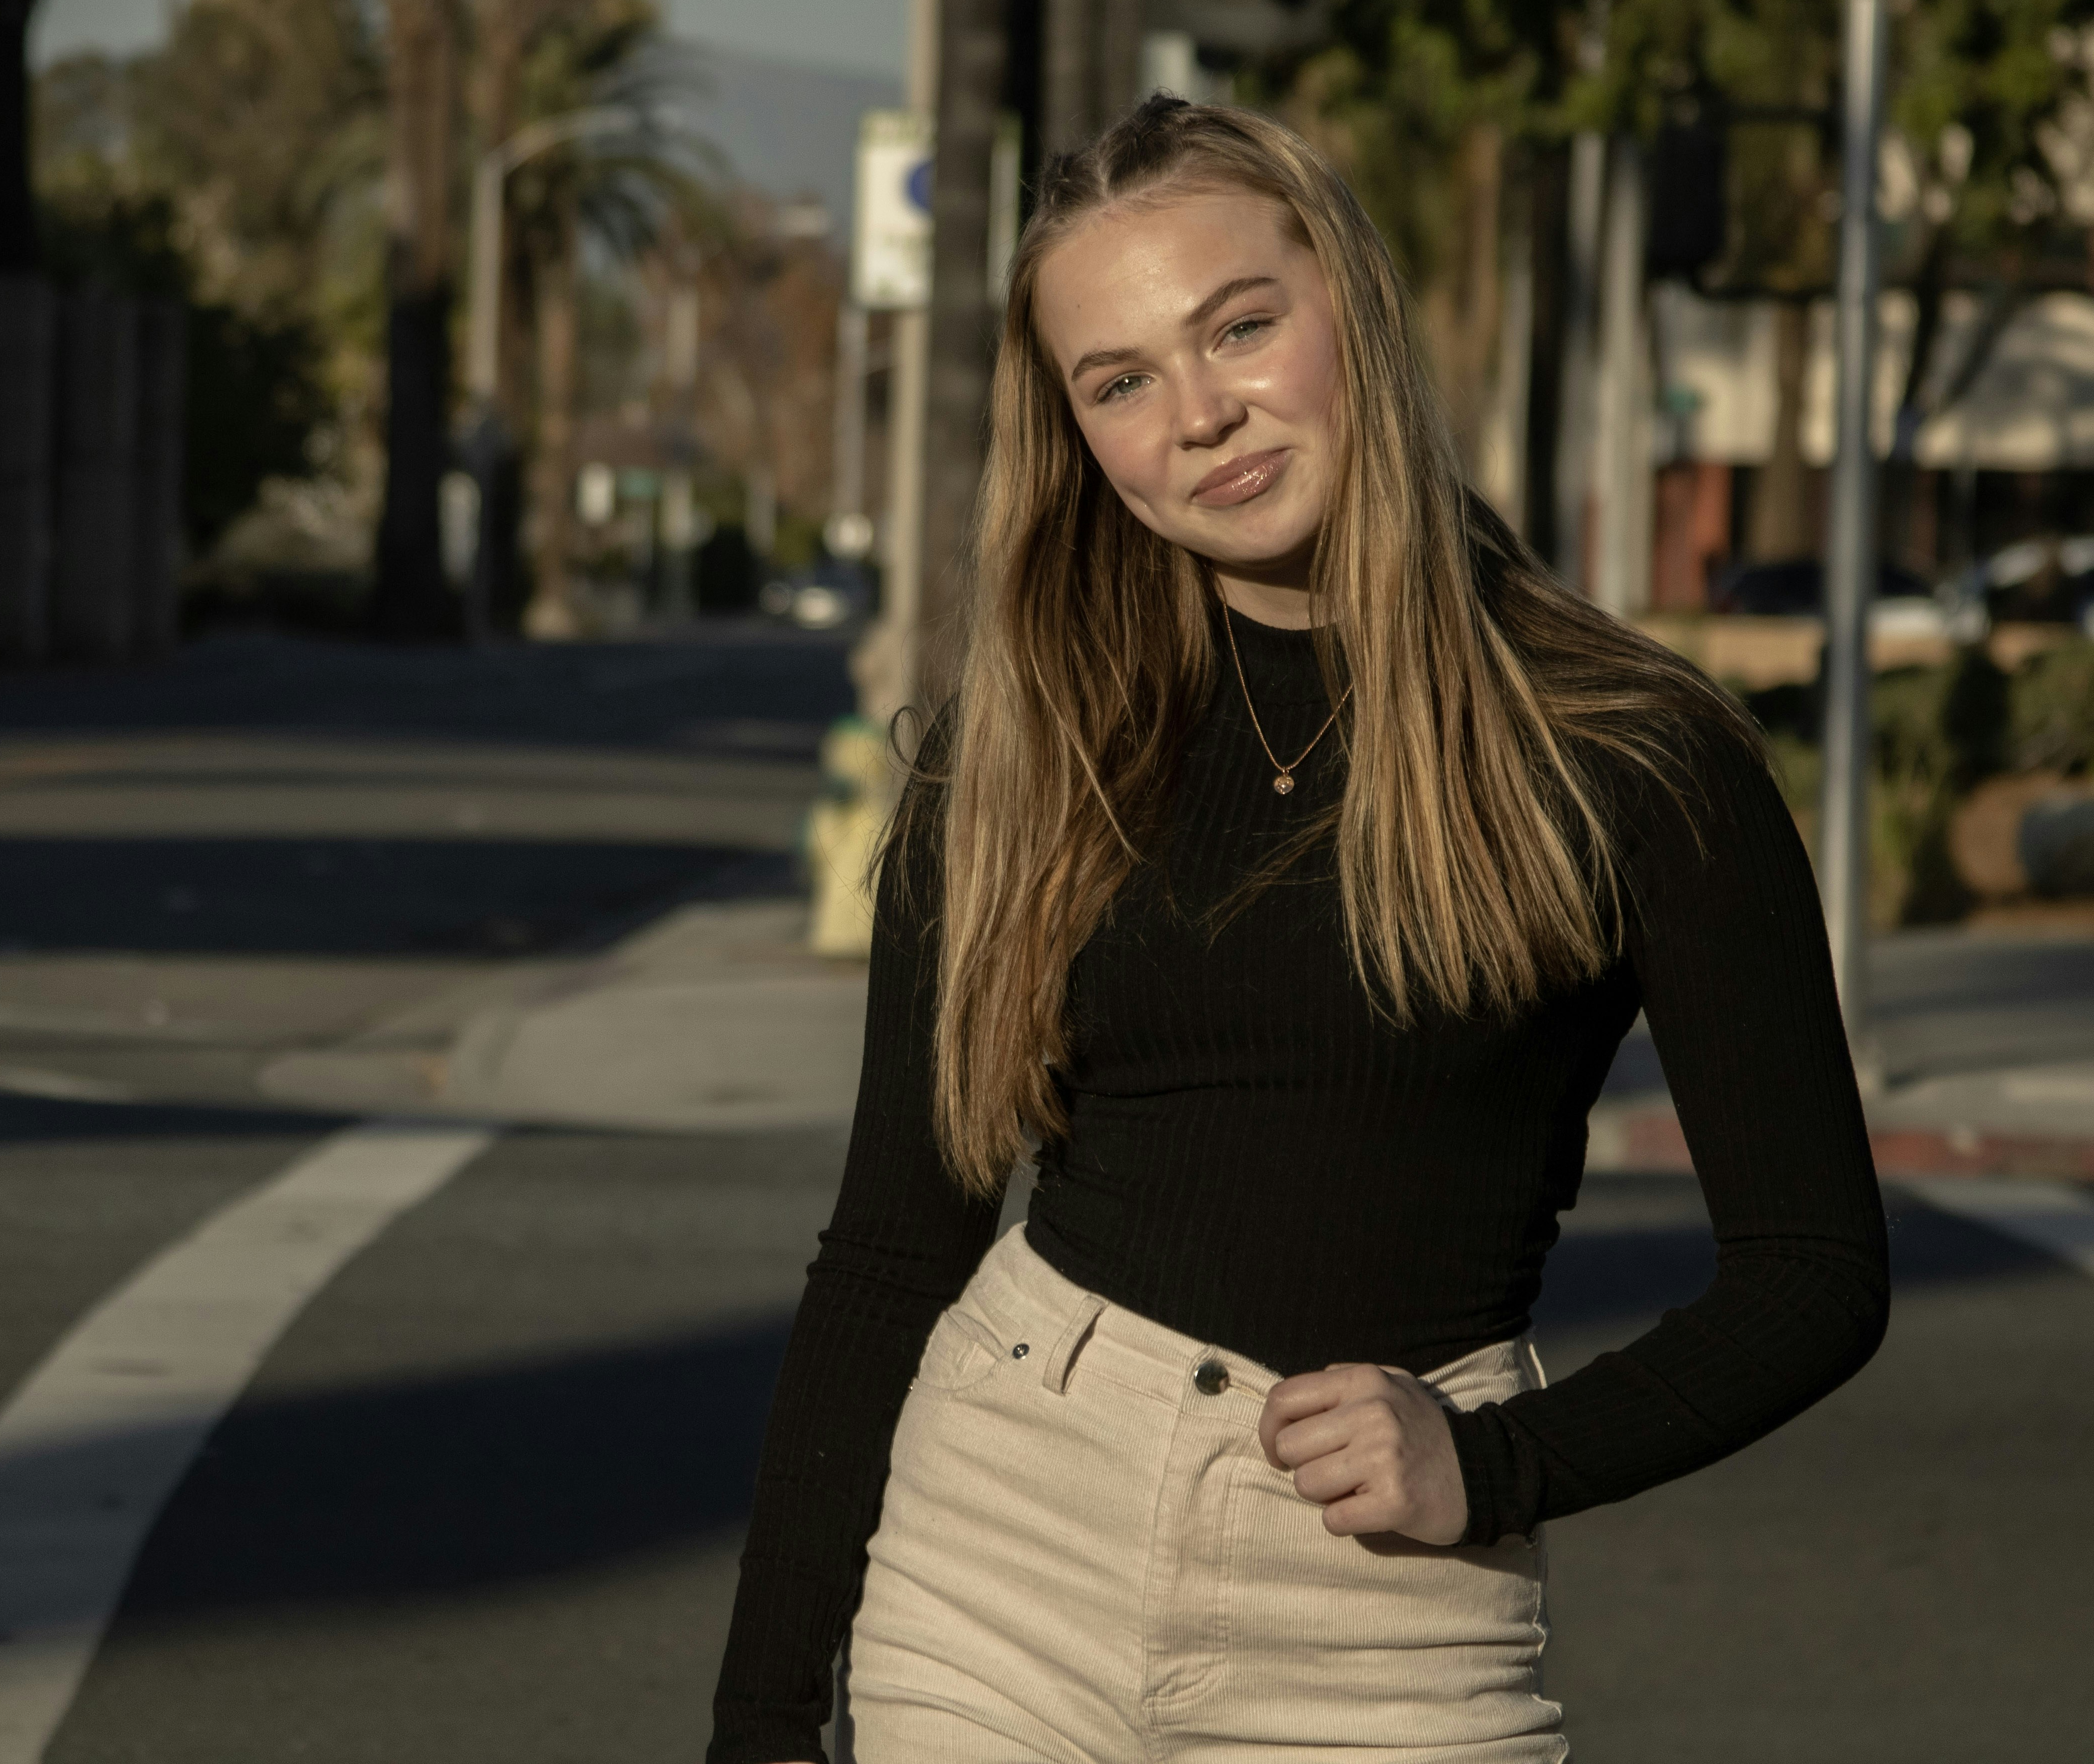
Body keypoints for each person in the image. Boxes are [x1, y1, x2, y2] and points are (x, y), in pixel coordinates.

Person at [708, 99, 1887, 1764]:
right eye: (1120, 381)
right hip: (1001, 1552)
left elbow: (1816, 1273)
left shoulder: (1631, 751)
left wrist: (1491, 1466)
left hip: (1386, 1617)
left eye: (1241, 327)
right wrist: (759, 1725)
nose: (1200, 416)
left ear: (1352, 306)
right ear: (1080, 439)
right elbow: (894, 1250)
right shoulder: (1019, 757)